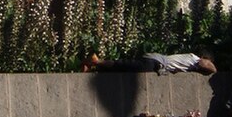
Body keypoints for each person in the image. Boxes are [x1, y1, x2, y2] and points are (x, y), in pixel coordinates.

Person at [83, 50, 216, 75]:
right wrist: (216, 71)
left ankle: (94, 68)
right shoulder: (195, 59)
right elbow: (205, 66)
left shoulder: (190, 61)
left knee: (125, 70)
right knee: (124, 65)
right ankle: (96, 61)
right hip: (154, 62)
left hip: (155, 62)